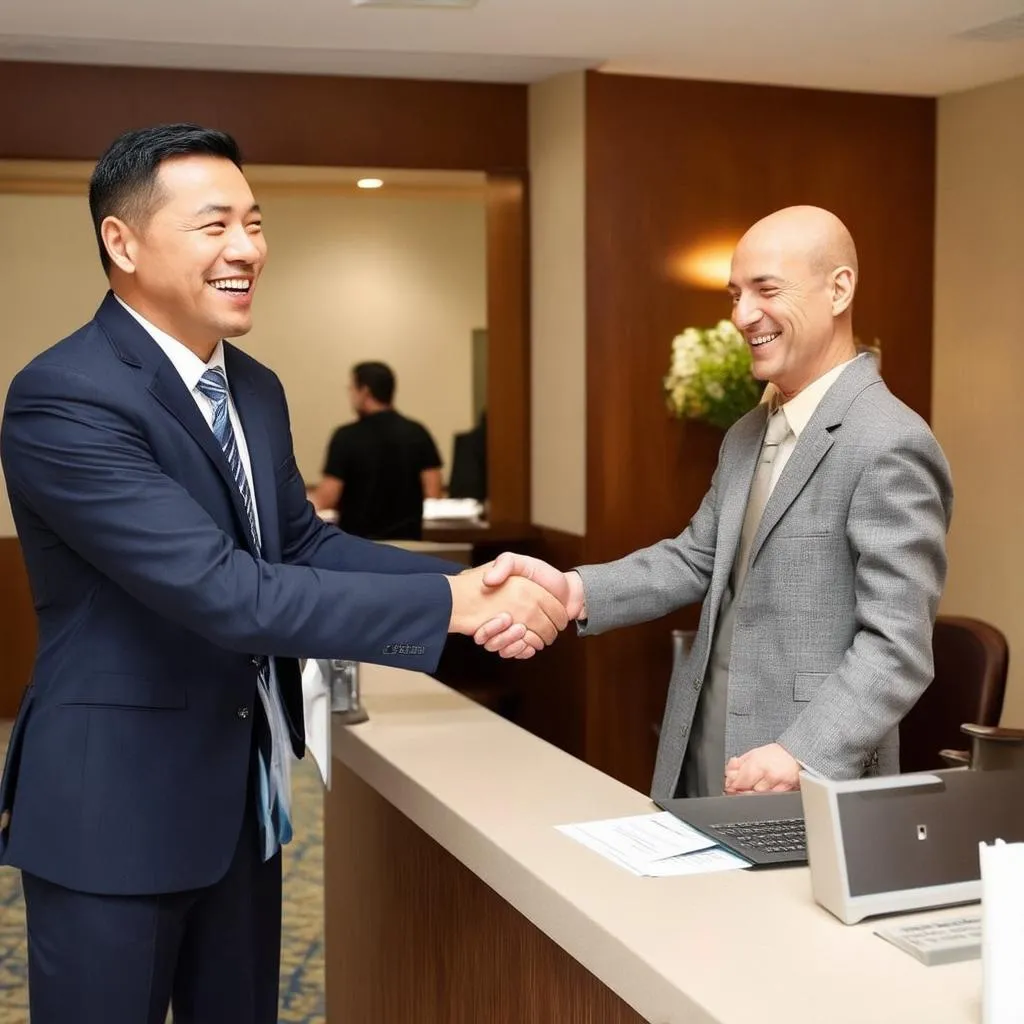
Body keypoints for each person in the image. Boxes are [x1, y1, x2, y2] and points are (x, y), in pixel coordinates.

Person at [0, 123, 568, 1024]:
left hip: (244, 799)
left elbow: (297, 545)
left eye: (256, 224)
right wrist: (444, 605)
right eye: (215, 225)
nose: (248, 249)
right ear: (123, 241)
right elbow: (224, 589)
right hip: (115, 808)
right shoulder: (65, 395)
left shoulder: (253, 388)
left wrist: (472, 583)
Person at [480, 205, 953, 800]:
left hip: (803, 777)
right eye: (735, 294)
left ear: (839, 290)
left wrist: (800, 753)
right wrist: (575, 591)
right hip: (702, 745)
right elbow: (697, 557)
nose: (741, 315)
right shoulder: (748, 433)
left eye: (766, 290)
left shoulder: (890, 441)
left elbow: (898, 646)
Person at [310, 362, 443, 540]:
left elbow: (328, 497)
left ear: (364, 391)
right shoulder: (418, 432)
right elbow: (434, 491)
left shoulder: (346, 437)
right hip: (409, 547)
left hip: (359, 548)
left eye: (352, 389)